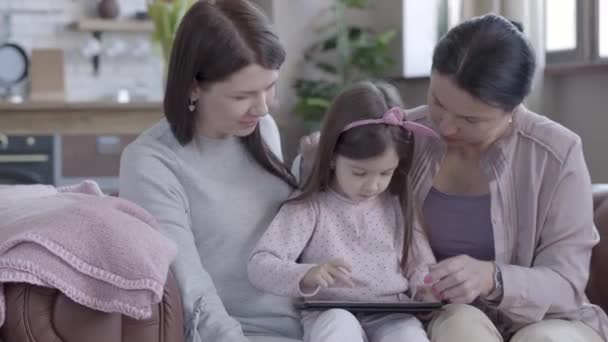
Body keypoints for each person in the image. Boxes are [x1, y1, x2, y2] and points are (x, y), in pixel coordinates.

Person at [299, 14, 608, 342]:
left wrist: (493, 278)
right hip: (449, 314)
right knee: (460, 327)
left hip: (549, 318)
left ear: (513, 109)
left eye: (470, 119)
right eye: (437, 102)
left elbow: (567, 282)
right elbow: (334, 209)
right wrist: (315, 163)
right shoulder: (402, 135)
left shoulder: (556, 153)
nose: (445, 127)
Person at [118, 1, 303, 341]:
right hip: (244, 333)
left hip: (314, 321)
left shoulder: (261, 129)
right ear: (193, 87)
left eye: (269, 86)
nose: (262, 107)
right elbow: (191, 287)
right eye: (243, 95)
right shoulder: (151, 162)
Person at [248, 81, 440, 342]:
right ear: (332, 157)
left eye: (386, 172)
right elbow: (260, 265)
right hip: (330, 310)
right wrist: (306, 275)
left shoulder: (397, 202)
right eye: (359, 172)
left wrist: (426, 288)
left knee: (409, 337)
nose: (373, 185)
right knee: (338, 329)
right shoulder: (310, 205)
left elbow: (420, 266)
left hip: (393, 311)